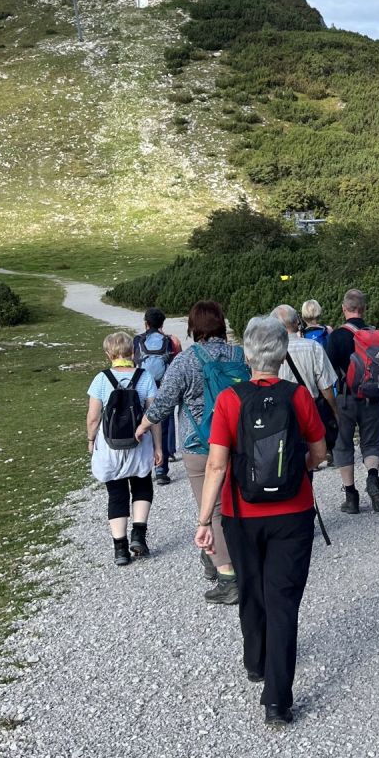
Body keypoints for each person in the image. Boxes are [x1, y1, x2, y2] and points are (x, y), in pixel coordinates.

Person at [195, 315, 327, 726]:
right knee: (283, 599)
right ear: (283, 353)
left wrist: (204, 520)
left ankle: (255, 661)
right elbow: (320, 455)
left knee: (251, 589)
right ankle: (277, 700)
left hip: (240, 514)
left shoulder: (231, 400)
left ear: (247, 356)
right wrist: (297, 468)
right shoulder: (298, 397)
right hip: (294, 512)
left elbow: (216, 466)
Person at [135, 301, 248, 605]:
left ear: (193, 327)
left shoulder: (185, 361)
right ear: (222, 324)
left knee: (213, 510)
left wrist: (143, 426)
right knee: (239, 504)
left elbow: (163, 403)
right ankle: (220, 557)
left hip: (200, 445)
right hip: (240, 442)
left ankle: (227, 577)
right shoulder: (240, 355)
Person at [86, 331, 162, 566]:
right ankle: (138, 536)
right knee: (141, 485)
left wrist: (91, 440)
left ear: (109, 353)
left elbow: (93, 417)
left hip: (110, 445)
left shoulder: (101, 379)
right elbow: (154, 415)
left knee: (116, 493)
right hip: (138, 442)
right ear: (133, 352)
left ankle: (120, 549)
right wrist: (158, 447)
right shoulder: (145, 377)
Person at [326, 289, 379, 514]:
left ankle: (351, 497)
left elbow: (328, 370)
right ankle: (372, 478)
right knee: (371, 443)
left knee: (343, 444)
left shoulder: (337, 336)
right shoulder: (375, 335)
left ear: (344, 309)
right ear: (364, 309)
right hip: (372, 398)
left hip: (346, 398)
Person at [273, 304, 339, 465]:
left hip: (284, 411)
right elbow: (326, 386)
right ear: (297, 322)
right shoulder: (313, 347)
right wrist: (334, 410)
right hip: (311, 407)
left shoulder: (273, 350)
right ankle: (318, 455)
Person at [133, 307, 180, 484]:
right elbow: (176, 362)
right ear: (162, 323)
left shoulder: (138, 340)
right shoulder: (169, 340)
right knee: (164, 423)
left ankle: (143, 466)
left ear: (146, 323)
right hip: (163, 386)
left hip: (142, 385)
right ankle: (161, 470)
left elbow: (133, 362)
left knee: (143, 423)